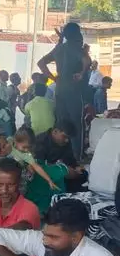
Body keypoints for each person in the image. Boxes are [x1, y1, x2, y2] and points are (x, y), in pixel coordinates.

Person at [38, 22, 91, 160]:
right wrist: (81, 72)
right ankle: (77, 156)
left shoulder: (59, 48)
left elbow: (41, 63)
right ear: (77, 34)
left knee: (62, 122)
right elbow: (86, 60)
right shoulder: (76, 47)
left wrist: (52, 78)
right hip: (73, 89)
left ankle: (60, 155)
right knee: (76, 123)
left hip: (60, 89)